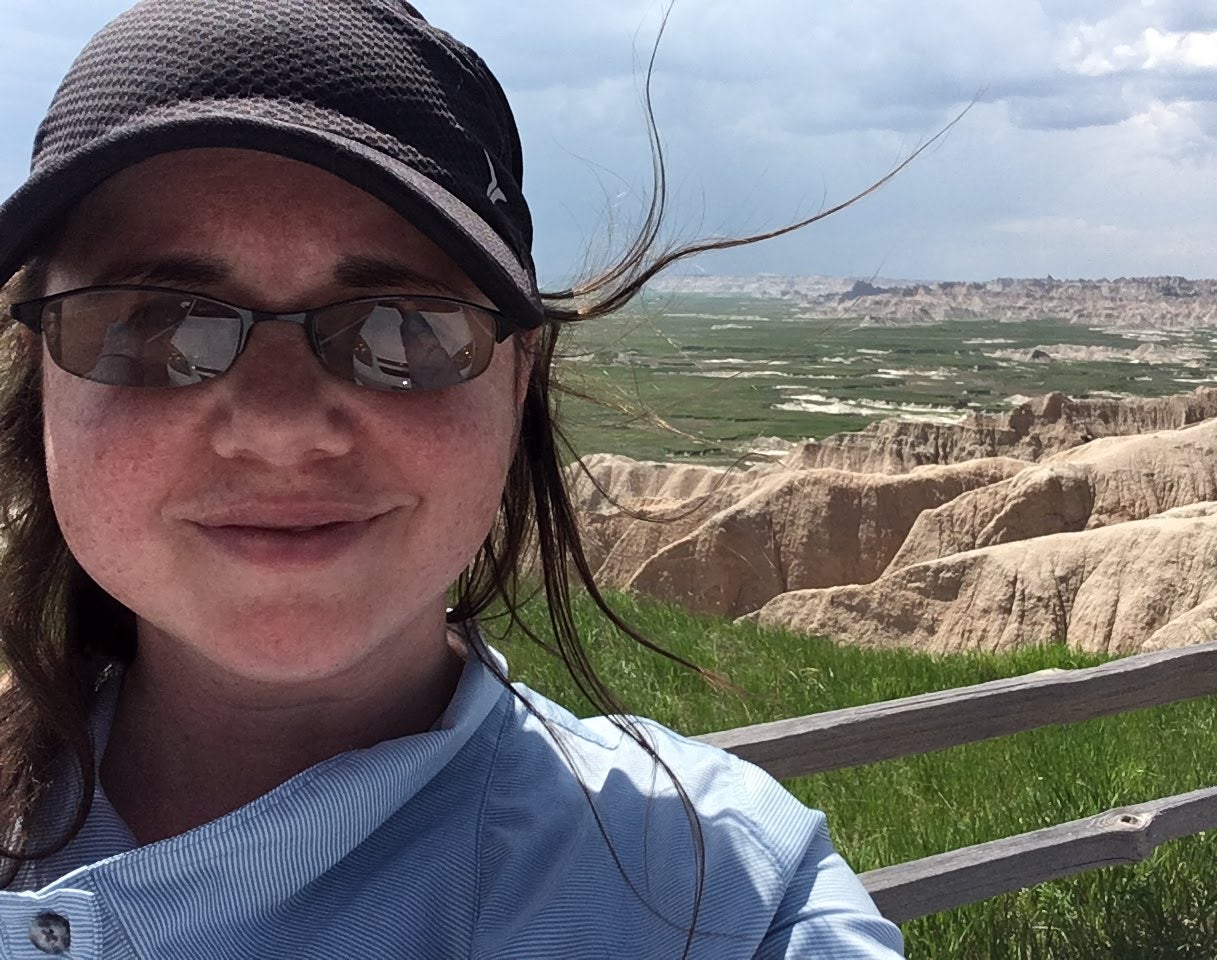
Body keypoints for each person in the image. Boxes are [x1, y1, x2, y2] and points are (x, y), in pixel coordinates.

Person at [0, 1, 907, 957]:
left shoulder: (719, 898)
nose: (279, 429)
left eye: (400, 329)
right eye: (157, 326)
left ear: (517, 380)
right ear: (42, 381)